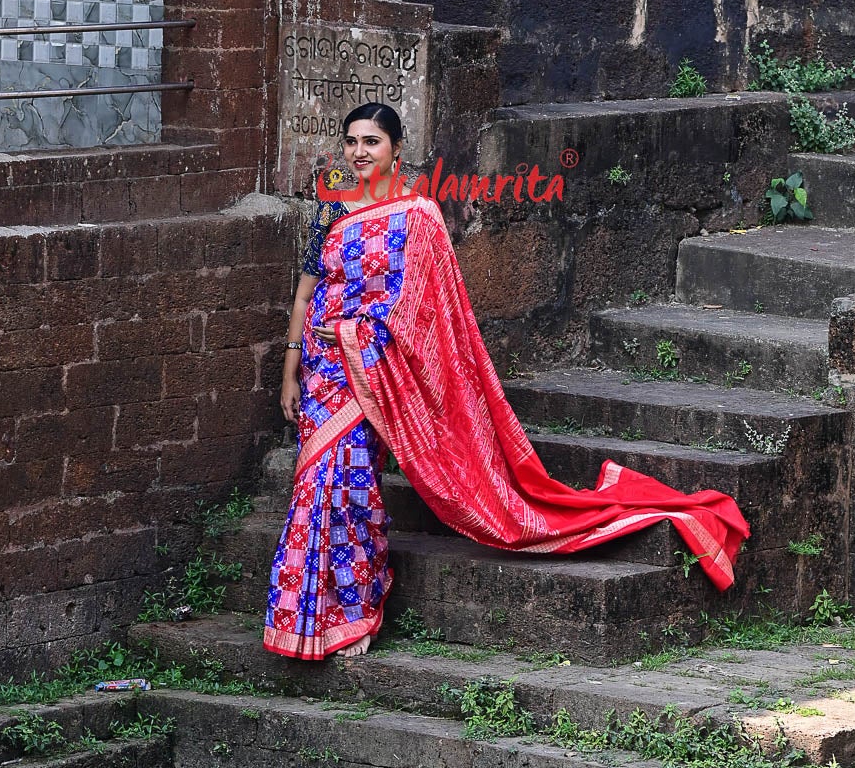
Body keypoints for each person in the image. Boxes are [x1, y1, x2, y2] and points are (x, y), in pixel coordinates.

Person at [264, 104, 749, 661]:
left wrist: (352, 334)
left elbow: (424, 311)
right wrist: (290, 363)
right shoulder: (332, 206)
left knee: (349, 487)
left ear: (398, 149)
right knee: (312, 487)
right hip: (323, 374)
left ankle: (353, 614)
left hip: (372, 371)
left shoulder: (419, 216)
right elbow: (306, 292)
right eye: (350, 142)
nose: (357, 153)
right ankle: (301, 618)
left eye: (371, 142)